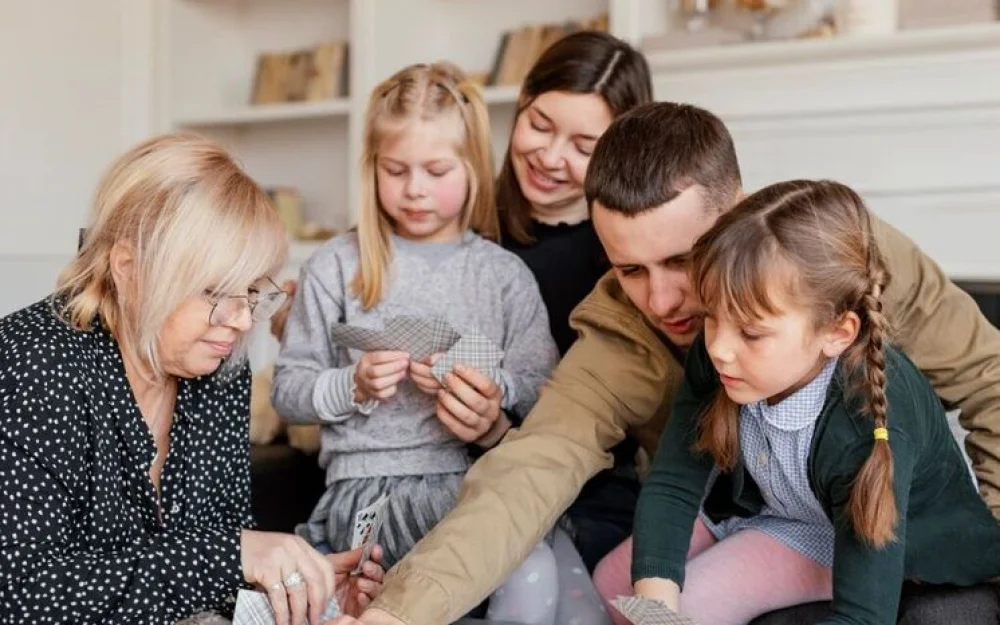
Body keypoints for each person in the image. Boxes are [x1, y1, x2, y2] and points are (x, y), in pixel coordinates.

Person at [336, 102, 1000, 625]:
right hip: (747, 515)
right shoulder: (626, 335)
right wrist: (397, 613)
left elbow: (989, 379)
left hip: (872, 529)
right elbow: (527, 473)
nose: (662, 301)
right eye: (630, 269)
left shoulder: (843, 255)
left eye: (683, 260)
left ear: (736, 212)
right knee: (621, 587)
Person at [0, 133, 383, 625]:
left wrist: (295, 591)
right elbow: (21, 595)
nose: (242, 321)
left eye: (253, 291)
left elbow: (212, 564)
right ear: (128, 269)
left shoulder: (221, 369)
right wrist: (229, 558)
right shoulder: (32, 366)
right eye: (216, 292)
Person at [271, 63, 603, 625]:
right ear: (371, 167)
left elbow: (542, 389)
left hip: (475, 484)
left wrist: (491, 389)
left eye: (437, 170)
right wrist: (352, 385)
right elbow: (288, 390)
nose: (415, 189)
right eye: (395, 170)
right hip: (369, 495)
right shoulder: (337, 264)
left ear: (472, 167)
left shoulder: (503, 275)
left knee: (541, 570)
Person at [602, 179, 1000, 624]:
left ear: (836, 333)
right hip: (775, 509)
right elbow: (674, 482)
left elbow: (862, 617)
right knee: (614, 585)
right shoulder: (721, 353)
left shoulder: (863, 425)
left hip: (866, 542)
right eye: (711, 317)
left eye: (751, 332)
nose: (719, 348)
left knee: (691, 609)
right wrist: (655, 607)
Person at [496, 30, 653, 573]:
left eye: (584, 148)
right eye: (540, 125)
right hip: (451, 474)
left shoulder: (630, 261)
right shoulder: (454, 217)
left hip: (589, 485)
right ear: (521, 103)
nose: (550, 156)